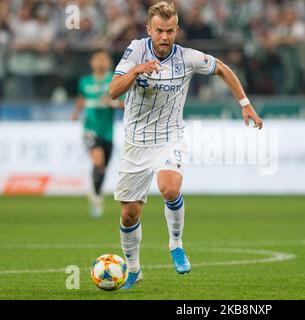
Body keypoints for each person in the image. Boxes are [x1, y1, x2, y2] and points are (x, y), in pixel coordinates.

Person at [109, 1, 263, 289]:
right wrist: (136, 71)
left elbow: (222, 69)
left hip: (170, 137)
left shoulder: (188, 58)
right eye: (159, 31)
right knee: (129, 213)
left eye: (169, 31)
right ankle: (133, 270)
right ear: (148, 29)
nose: (164, 37)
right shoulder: (135, 50)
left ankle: (176, 244)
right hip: (135, 142)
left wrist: (245, 105)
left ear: (176, 29)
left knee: (170, 187)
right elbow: (114, 91)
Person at [72, 50, 124, 218]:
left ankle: (96, 194)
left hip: (108, 132)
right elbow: (81, 99)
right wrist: (76, 112)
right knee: (98, 160)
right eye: (97, 59)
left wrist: (112, 103)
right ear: (92, 62)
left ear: (109, 63)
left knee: (102, 168)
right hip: (90, 129)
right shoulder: (85, 81)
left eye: (104, 59)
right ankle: (96, 197)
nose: (101, 62)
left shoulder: (115, 80)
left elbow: (125, 103)